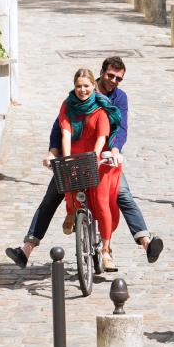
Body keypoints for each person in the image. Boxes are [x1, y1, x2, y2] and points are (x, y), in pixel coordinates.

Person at [5, 57, 164, 269]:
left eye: (119, 78)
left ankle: (146, 243)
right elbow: (60, 127)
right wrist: (53, 152)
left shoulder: (118, 98)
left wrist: (114, 150)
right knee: (52, 195)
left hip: (105, 158)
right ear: (100, 73)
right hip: (74, 157)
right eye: (110, 76)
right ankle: (26, 249)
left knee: (122, 194)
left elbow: (120, 128)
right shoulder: (78, 96)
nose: (114, 81)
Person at [56, 68, 121, 271]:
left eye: (86, 86)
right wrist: (66, 158)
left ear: (94, 85)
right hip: (75, 155)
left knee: (102, 204)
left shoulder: (101, 110)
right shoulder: (68, 106)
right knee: (67, 180)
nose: (82, 90)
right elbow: (65, 133)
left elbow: (101, 138)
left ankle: (105, 251)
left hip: (97, 159)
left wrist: (93, 158)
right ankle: (71, 211)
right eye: (78, 86)